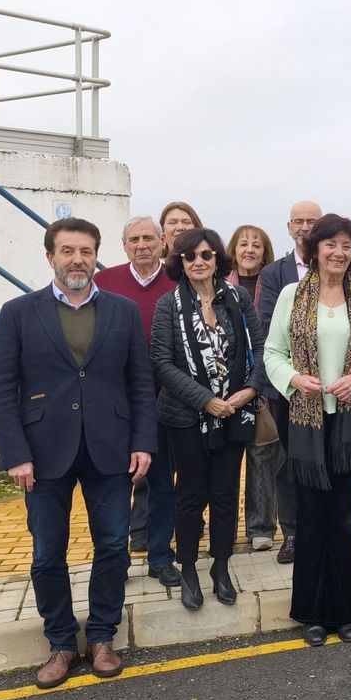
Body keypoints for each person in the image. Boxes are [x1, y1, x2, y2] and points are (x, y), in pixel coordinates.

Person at [0, 218, 155, 689]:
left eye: (86, 250)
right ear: (50, 257)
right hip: (42, 456)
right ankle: (61, 643)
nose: (77, 259)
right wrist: (15, 454)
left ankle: (102, 638)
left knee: (112, 550)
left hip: (111, 450)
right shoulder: (18, 312)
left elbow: (140, 383)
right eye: (67, 251)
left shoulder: (121, 311)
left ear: (97, 255)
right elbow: (0, 390)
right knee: (46, 555)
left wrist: (143, 441)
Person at [264, 214, 351, 646]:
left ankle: (345, 611)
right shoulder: (290, 295)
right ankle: (311, 613)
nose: (338, 253)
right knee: (310, 516)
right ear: (315, 249)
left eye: (346, 245)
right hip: (302, 418)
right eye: (330, 245)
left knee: (341, 514)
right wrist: (294, 379)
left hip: (349, 421)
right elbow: (273, 352)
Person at [152, 228, 267, 611]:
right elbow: (162, 363)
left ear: (218, 258)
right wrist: (206, 401)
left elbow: (262, 347)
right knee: (190, 494)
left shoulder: (238, 298)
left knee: (224, 494)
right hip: (186, 418)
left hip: (234, 413)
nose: (198, 262)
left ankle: (220, 566)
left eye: (206, 254)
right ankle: (187, 568)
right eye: (190, 257)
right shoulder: (169, 305)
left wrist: (250, 390)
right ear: (179, 262)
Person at [93, 216, 179, 585]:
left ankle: (161, 556)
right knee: (115, 484)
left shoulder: (178, 281)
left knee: (163, 484)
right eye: (133, 240)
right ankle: (116, 559)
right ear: (124, 246)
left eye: (148, 238)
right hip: (116, 403)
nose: (141, 245)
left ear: (162, 242)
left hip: (167, 401)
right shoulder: (103, 281)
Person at [257, 199, 324, 564]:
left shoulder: (337, 266)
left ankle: (321, 529)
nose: (305, 227)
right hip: (287, 386)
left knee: (322, 460)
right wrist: (297, 371)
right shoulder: (274, 274)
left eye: (312, 221)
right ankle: (293, 533)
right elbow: (268, 327)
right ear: (288, 227)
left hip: (330, 386)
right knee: (287, 463)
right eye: (298, 221)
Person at [225, 224, 279, 552]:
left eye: (256, 245)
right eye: (243, 244)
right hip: (227, 385)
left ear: (264, 252)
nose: (249, 250)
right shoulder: (219, 286)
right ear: (233, 249)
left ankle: (261, 527)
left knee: (263, 455)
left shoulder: (271, 285)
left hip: (265, 382)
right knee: (228, 459)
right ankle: (225, 528)